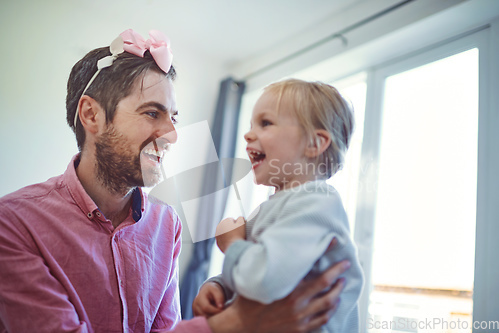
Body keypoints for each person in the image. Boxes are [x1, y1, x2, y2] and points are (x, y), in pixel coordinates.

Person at [0, 30, 349, 333]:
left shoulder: (166, 225)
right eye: (152, 113)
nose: (171, 136)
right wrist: (234, 324)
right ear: (91, 114)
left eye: (173, 117)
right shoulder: (13, 224)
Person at [193, 79, 364, 332]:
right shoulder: (270, 210)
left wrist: (231, 244)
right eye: (252, 125)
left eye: (265, 123)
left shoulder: (317, 203)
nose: (248, 134)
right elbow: (256, 269)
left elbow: (262, 279)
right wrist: (219, 285)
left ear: (314, 144)